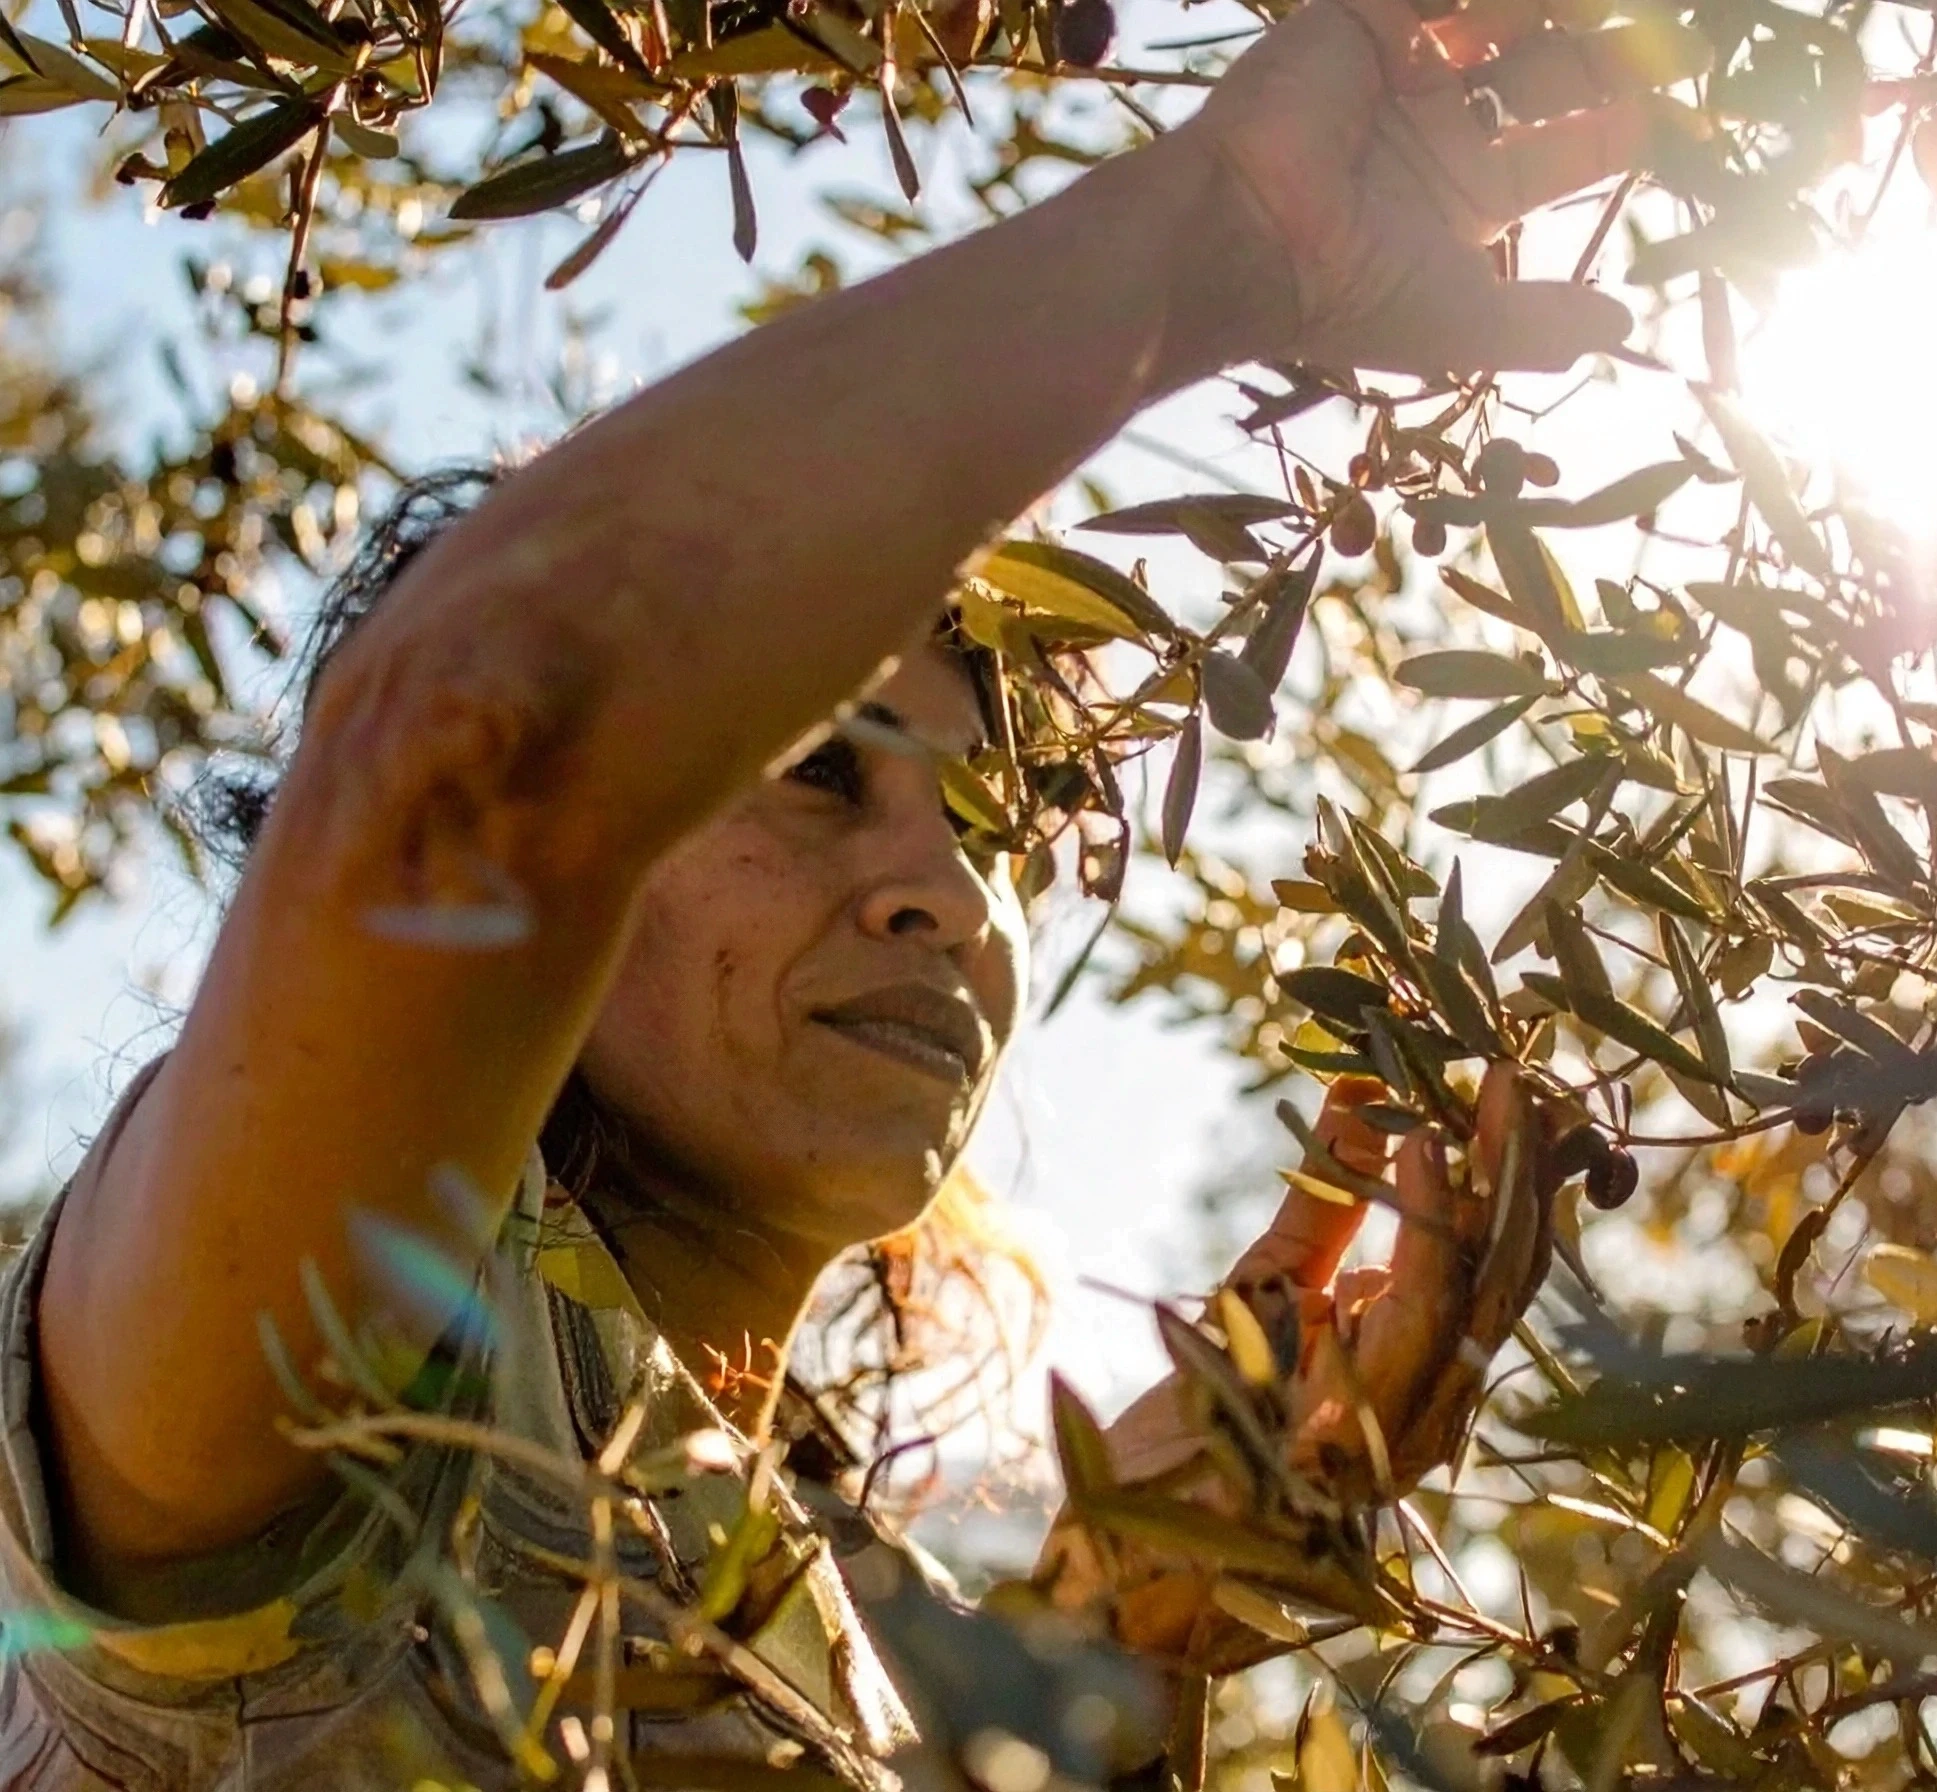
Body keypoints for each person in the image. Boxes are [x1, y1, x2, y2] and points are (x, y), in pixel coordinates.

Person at [2, 0, 1689, 1781]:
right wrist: (1237, 234)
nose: (948, 899)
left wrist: (1135, 1631)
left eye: (986, 828)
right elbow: (485, 745)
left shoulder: (886, 1630)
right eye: (817, 773)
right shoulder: (298, 1380)